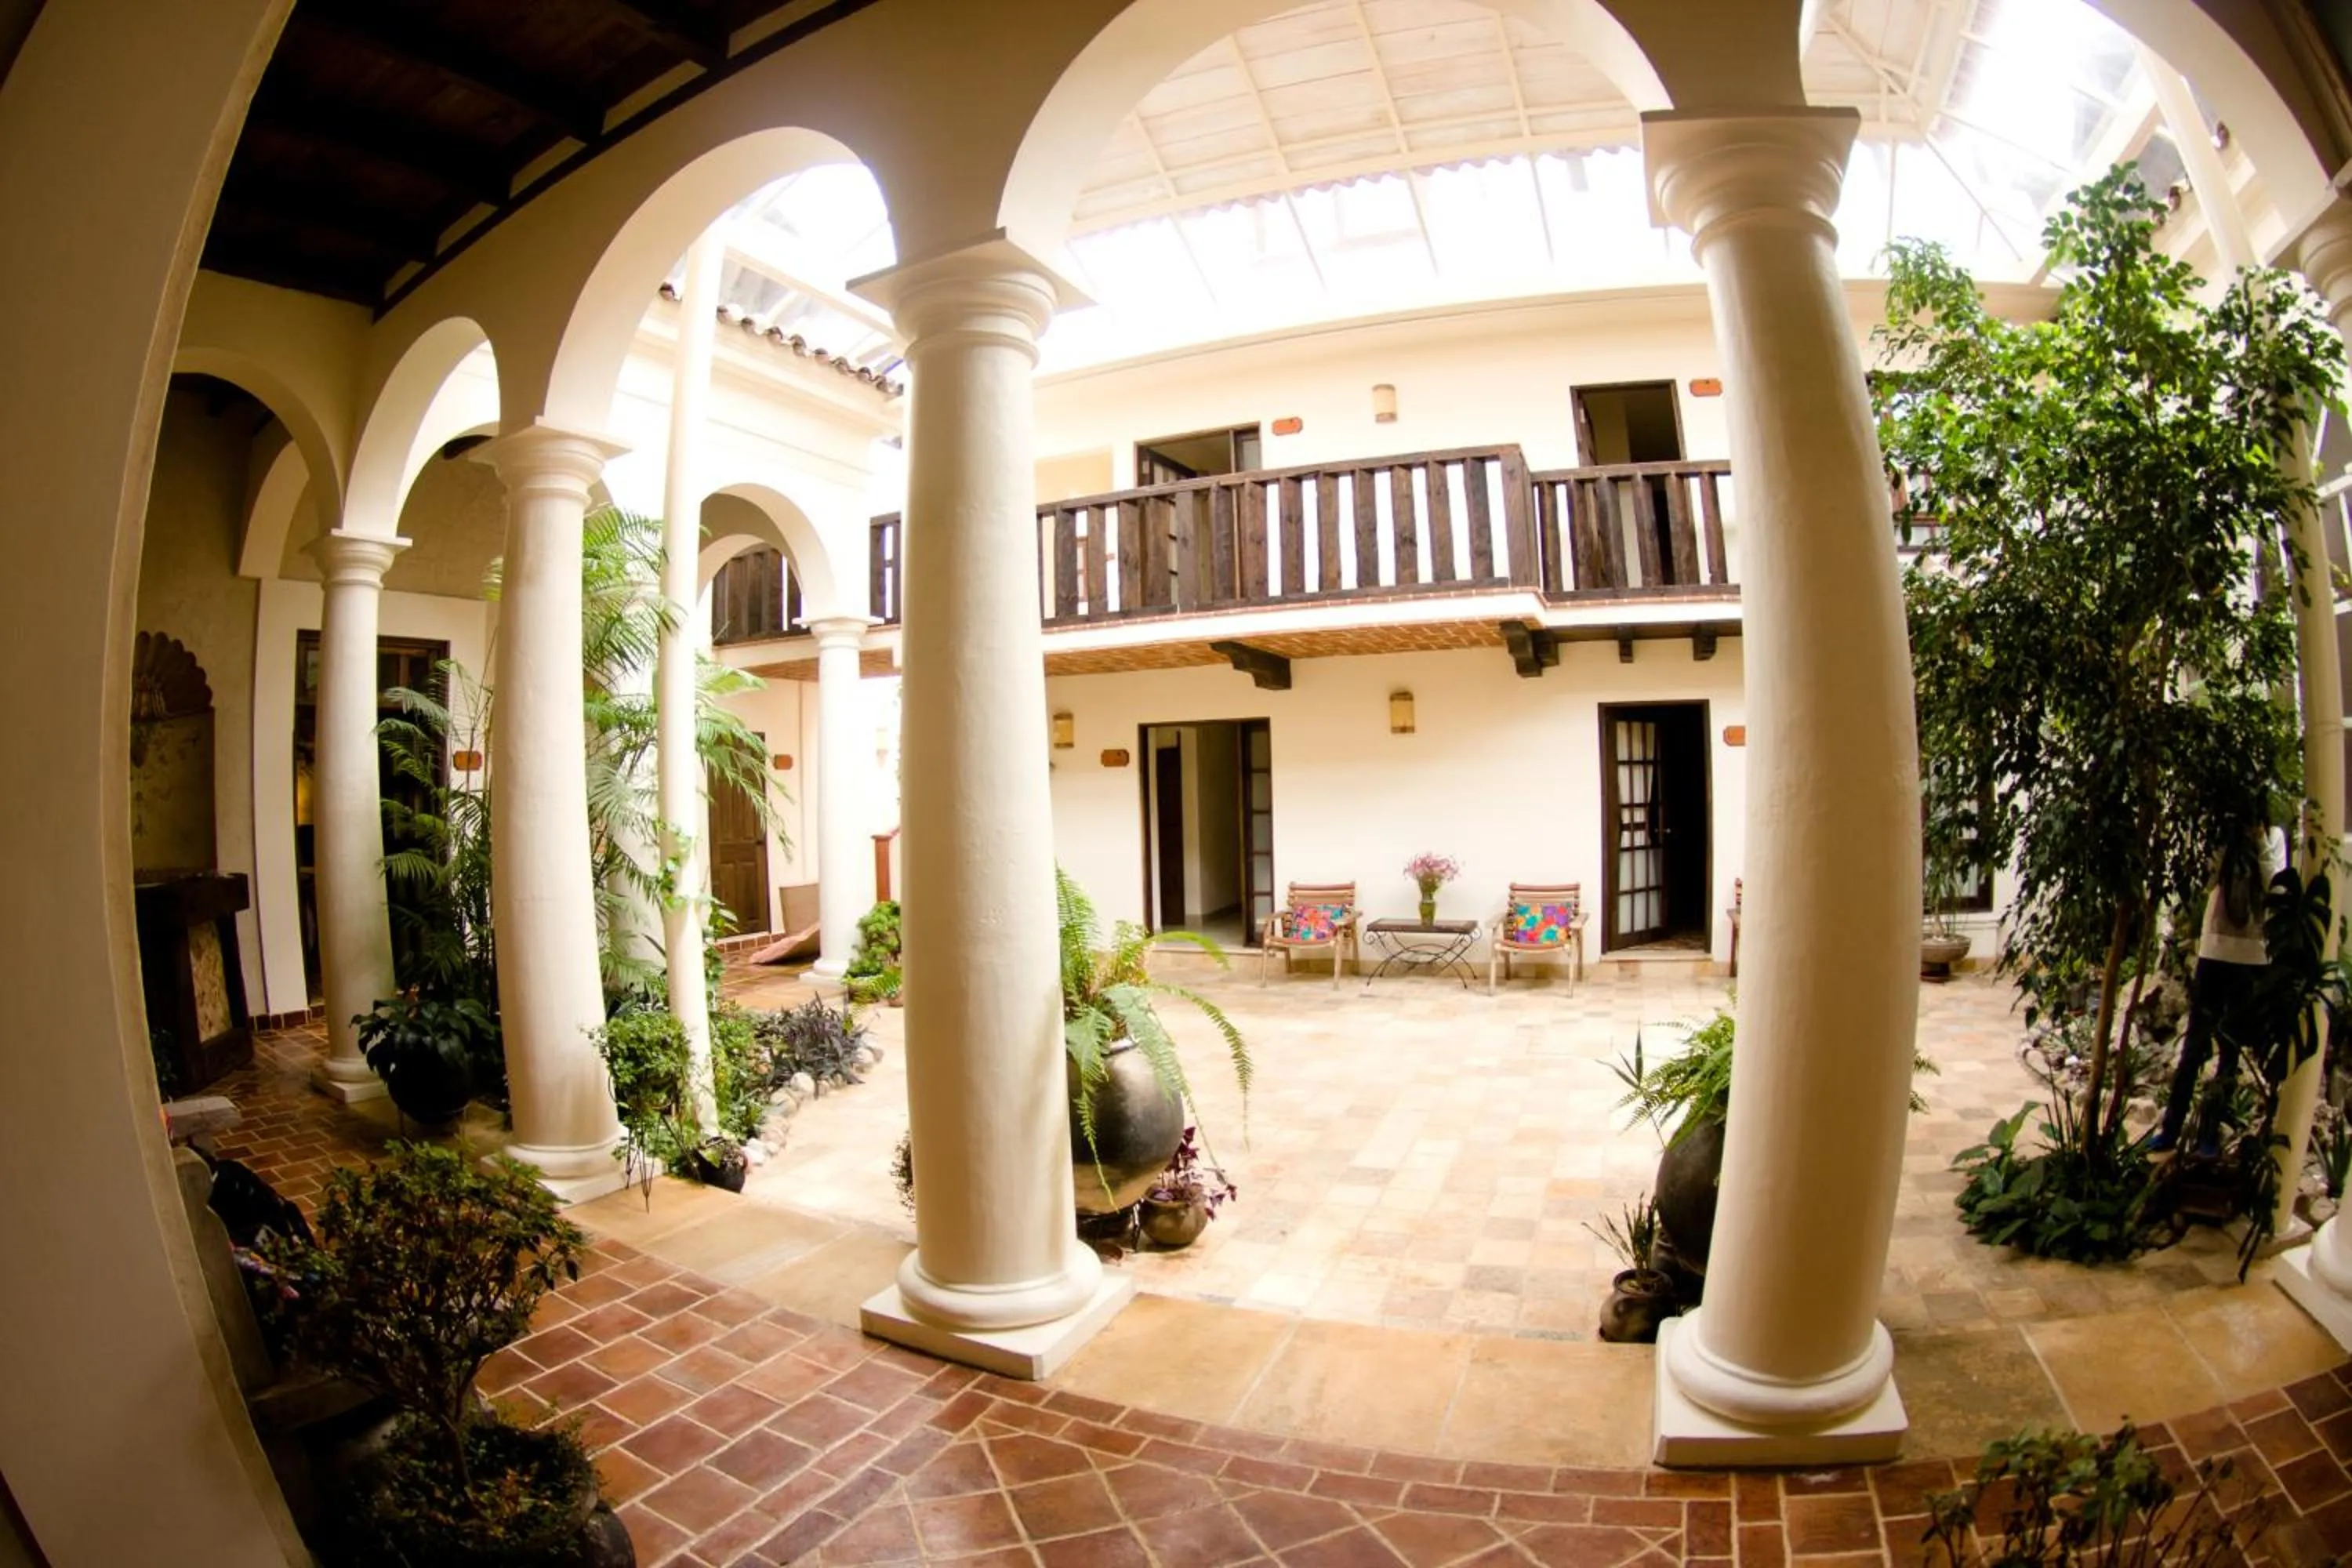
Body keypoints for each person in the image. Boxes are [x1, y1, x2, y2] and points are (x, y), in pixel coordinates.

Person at [2151, 833, 2275, 1161]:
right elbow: (2207, 880)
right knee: (2194, 1046)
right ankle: (2171, 1129)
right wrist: (2224, 842)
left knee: (2230, 1053)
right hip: (2213, 952)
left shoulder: (2273, 837)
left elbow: (2274, 887)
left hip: (2251, 959)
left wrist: (2259, 840)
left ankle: (2210, 1136)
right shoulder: (2222, 835)